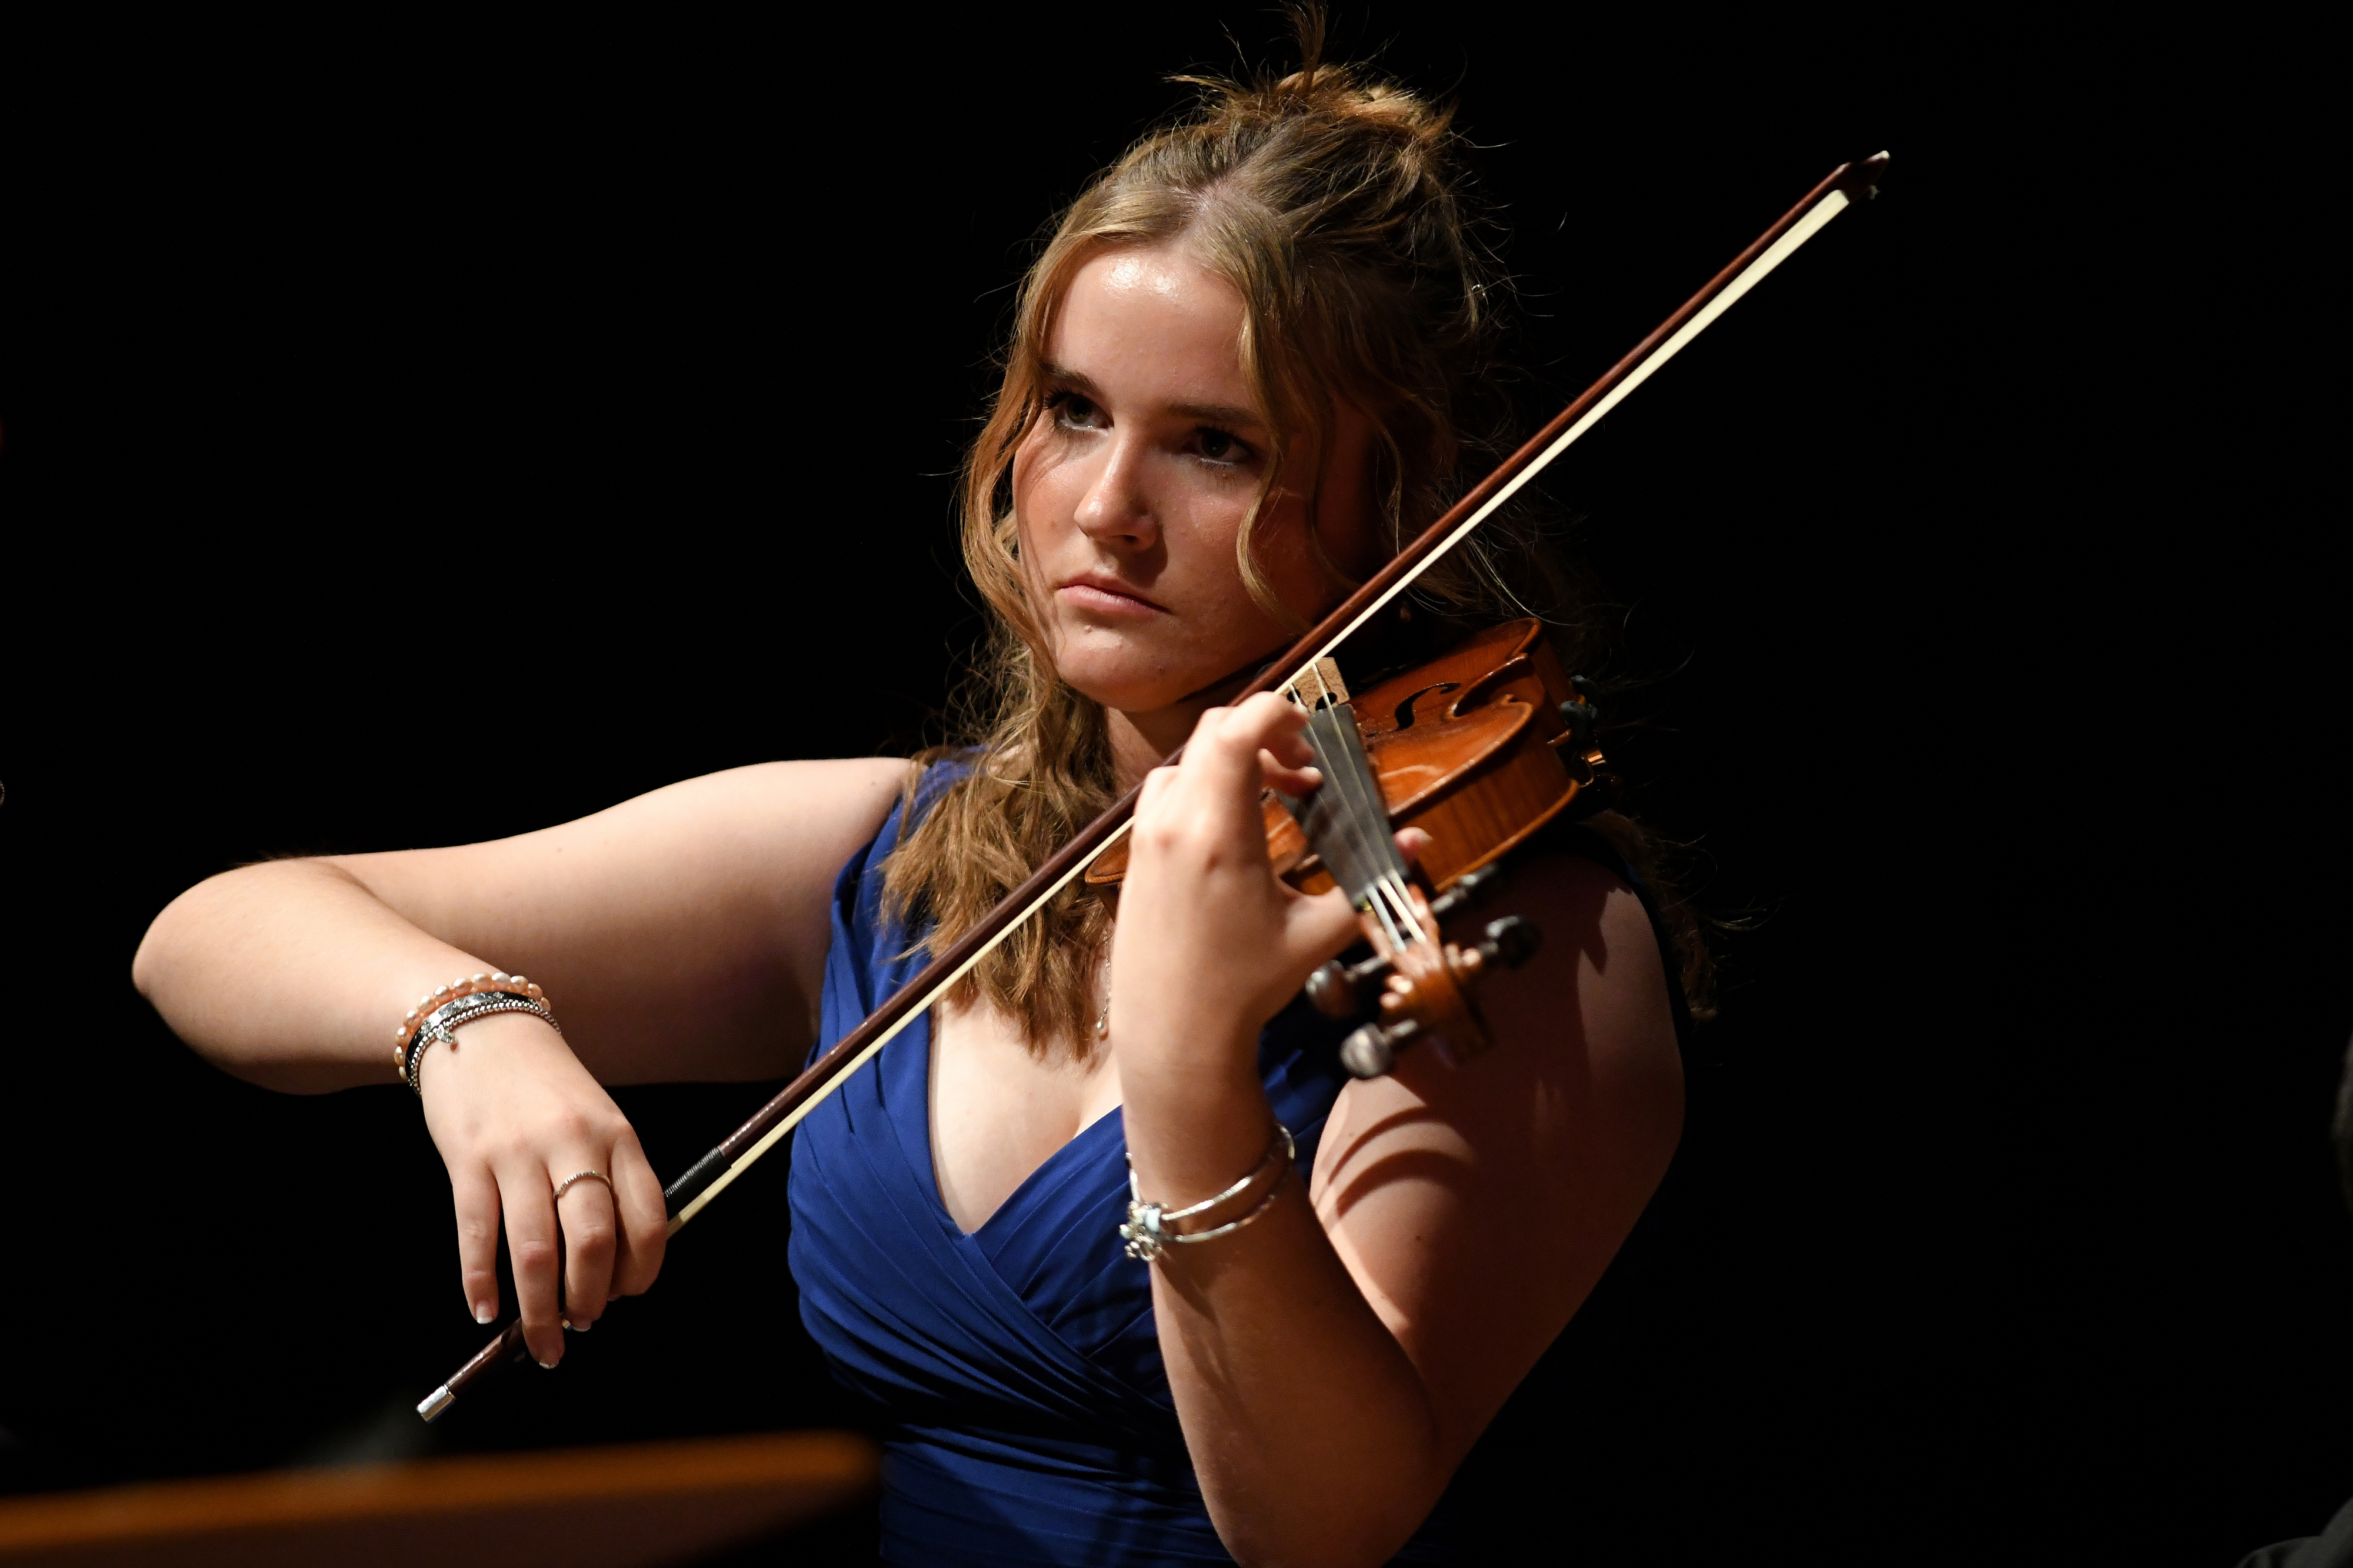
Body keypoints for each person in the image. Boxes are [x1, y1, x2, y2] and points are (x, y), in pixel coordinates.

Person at [132, 31, 1693, 1567]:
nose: (1105, 509)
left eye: (1216, 447)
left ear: (1396, 498)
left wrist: (1189, 1053)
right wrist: (467, 1024)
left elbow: (1317, 1526)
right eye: (1074, 410)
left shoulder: (1530, 937)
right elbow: (208, 938)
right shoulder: (900, 853)